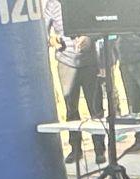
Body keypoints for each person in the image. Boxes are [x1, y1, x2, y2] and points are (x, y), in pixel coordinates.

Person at [43, 0, 105, 167]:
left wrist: (89, 37)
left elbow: (101, 23)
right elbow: (43, 32)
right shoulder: (52, 4)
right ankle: (75, 149)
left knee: (95, 108)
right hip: (66, 62)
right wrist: (53, 40)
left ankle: (100, 149)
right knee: (71, 108)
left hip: (89, 60)